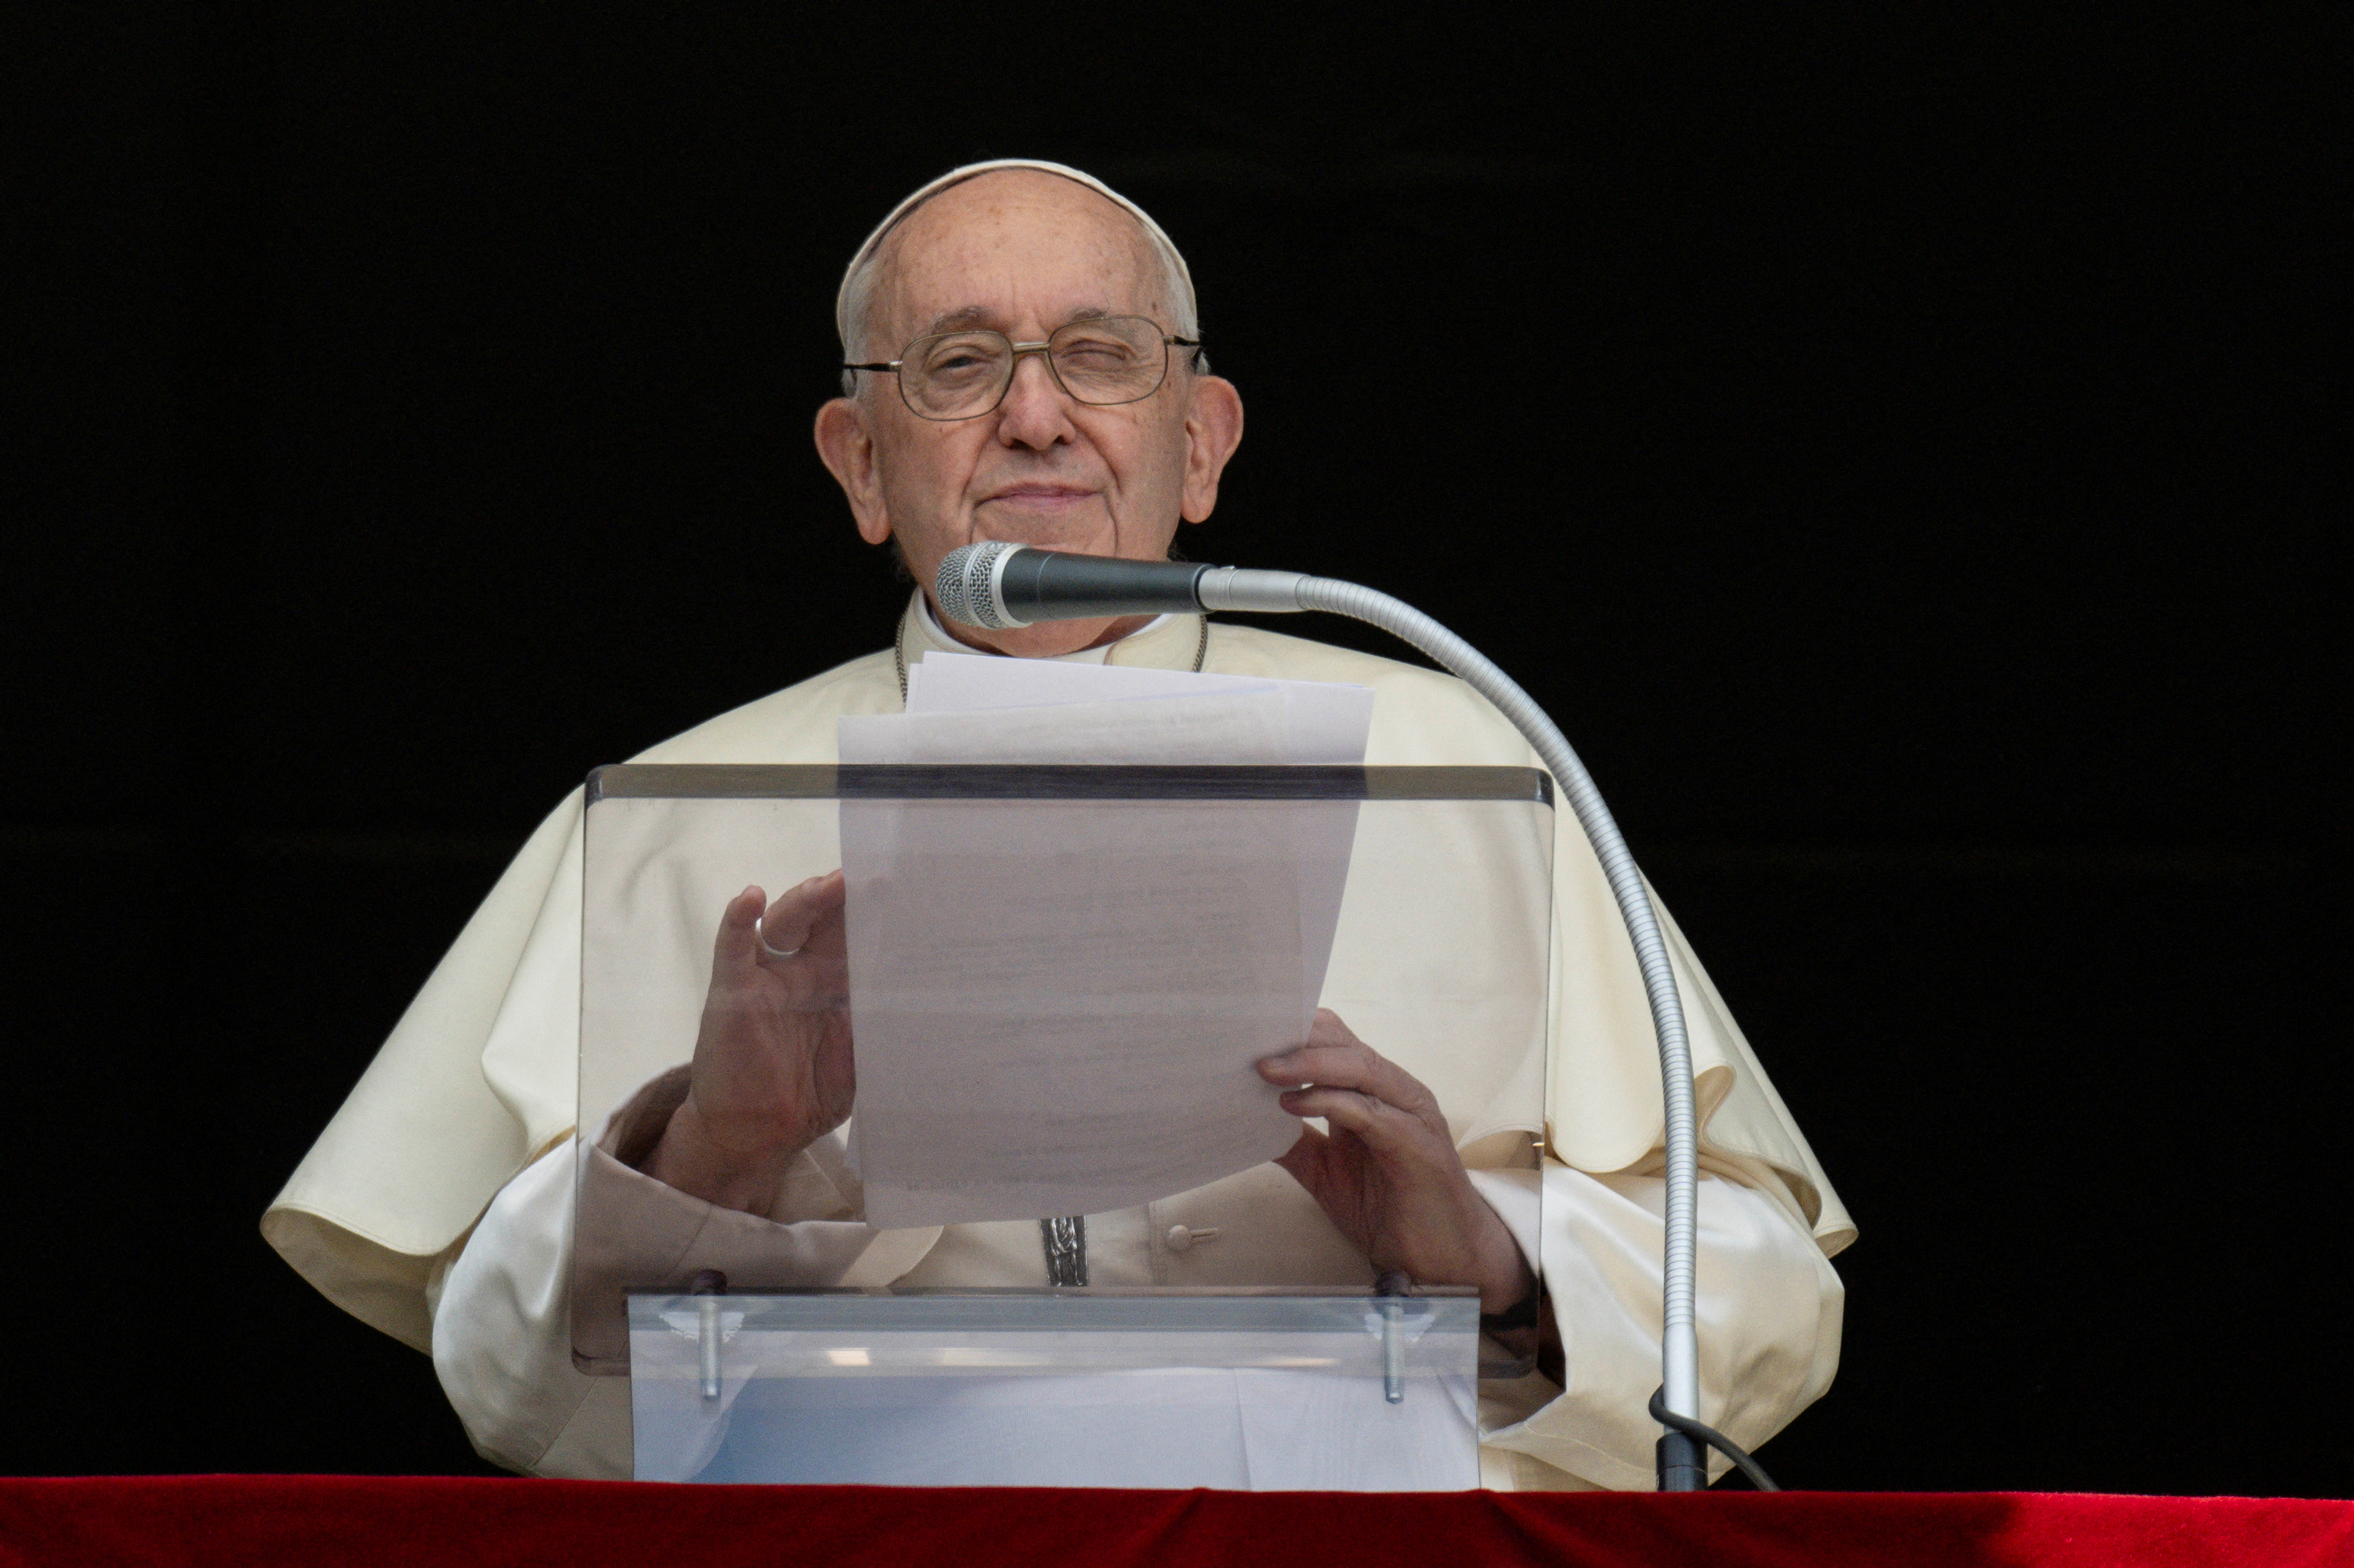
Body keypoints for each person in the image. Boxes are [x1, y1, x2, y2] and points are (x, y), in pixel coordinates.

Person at [264, 160, 1853, 1489]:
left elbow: (1768, 1296)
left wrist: (1487, 1249)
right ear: (858, 466)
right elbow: (502, 1387)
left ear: (1204, 440)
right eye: (957, 363)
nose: (1034, 417)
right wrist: (714, 1152)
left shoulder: (1464, 750)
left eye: (1100, 354)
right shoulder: (680, 807)